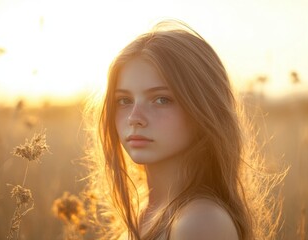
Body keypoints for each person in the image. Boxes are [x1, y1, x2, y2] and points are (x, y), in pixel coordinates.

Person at [85, 20, 283, 240]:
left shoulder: (200, 222)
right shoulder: (146, 212)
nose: (134, 118)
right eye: (124, 100)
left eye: (161, 99)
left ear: (204, 108)